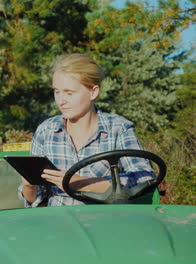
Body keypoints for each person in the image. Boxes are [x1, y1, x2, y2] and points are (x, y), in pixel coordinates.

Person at [19, 53, 154, 207]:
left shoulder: (118, 128)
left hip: (105, 221)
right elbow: (34, 200)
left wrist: (84, 184)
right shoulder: (46, 131)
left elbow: (144, 178)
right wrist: (29, 185)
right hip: (57, 223)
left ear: (93, 92)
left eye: (69, 93)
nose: (61, 101)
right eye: (57, 92)